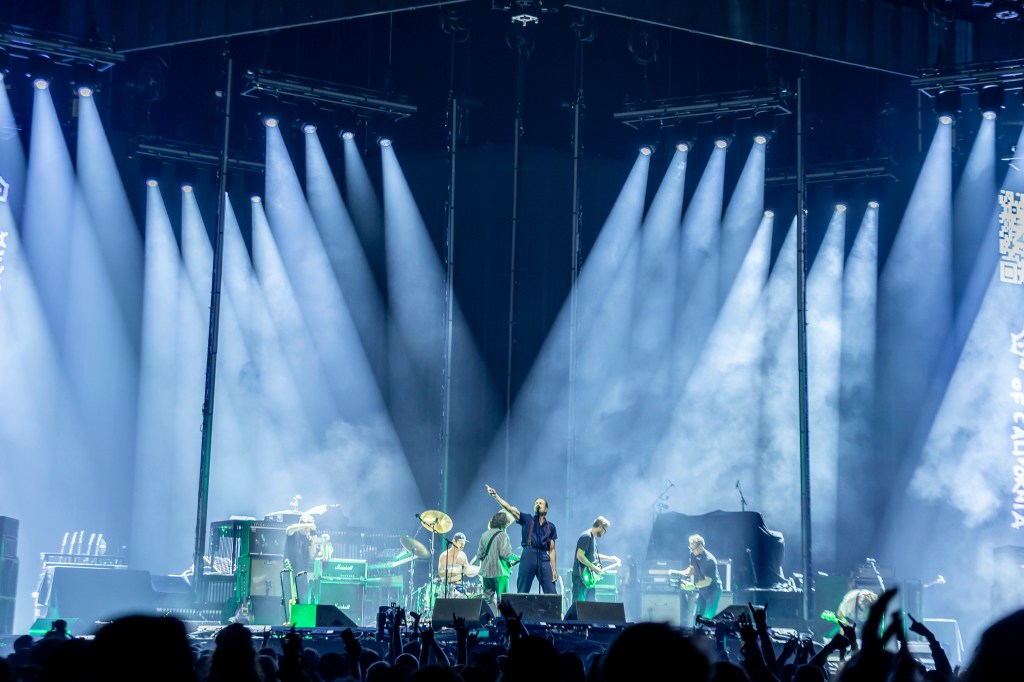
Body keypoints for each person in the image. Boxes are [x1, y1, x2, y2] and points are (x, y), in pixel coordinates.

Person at [486, 483, 558, 594]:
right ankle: (520, 611)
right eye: (536, 503)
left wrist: (554, 569)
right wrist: (496, 496)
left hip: (544, 557)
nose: (538, 504)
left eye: (540, 503)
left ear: (546, 508)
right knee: (523, 591)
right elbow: (510, 509)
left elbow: (552, 550)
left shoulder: (551, 526)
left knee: (551, 591)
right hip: (528, 555)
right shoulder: (527, 519)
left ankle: (552, 611)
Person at [571, 516, 618, 604]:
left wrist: (610, 559)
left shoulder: (592, 538)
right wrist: (594, 568)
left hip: (588, 580)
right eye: (605, 530)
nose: (604, 533)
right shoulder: (586, 536)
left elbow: (594, 556)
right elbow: (579, 555)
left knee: (591, 607)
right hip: (580, 578)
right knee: (578, 607)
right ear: (600, 527)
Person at [477, 510, 519, 608]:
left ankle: (488, 622)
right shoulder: (503, 535)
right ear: (504, 523)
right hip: (500, 573)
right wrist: (519, 557)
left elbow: (479, 555)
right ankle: (502, 622)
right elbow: (506, 555)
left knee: (488, 601)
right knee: (503, 601)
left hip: (486, 573)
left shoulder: (484, 535)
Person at [680, 533, 722, 621]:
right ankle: (697, 632)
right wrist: (681, 573)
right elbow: (692, 569)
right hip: (703, 589)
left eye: (693, 548)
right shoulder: (693, 554)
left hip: (713, 591)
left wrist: (693, 585)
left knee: (708, 617)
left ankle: (708, 633)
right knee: (698, 616)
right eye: (690, 548)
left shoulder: (709, 560)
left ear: (701, 546)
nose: (691, 550)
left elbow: (707, 582)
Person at [285, 513, 319, 603]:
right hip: (289, 573)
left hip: (302, 575)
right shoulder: (294, 533)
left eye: (308, 523)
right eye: (303, 523)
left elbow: (312, 555)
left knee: (302, 602)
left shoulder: (308, 538)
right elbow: (289, 529)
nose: (305, 526)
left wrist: (314, 543)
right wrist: (308, 524)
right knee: (288, 601)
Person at [437, 532, 470, 597]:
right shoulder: (444, 555)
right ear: (454, 542)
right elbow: (440, 573)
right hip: (447, 587)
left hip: (460, 586)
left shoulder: (463, 555)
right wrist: (456, 571)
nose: (463, 545)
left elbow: (468, 570)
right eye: (461, 543)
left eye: (464, 543)